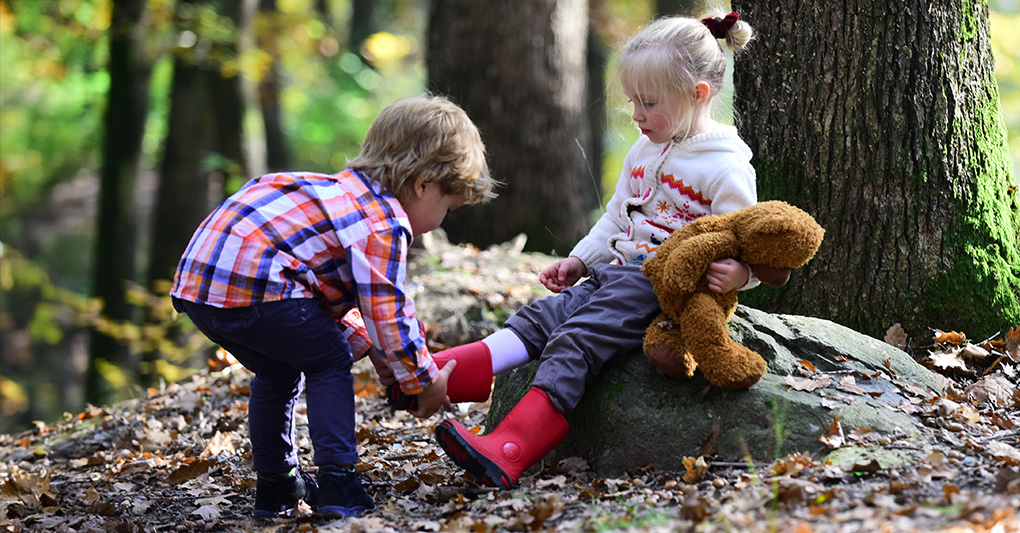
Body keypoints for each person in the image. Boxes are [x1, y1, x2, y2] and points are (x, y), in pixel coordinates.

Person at [429, 12, 793, 490]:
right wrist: (581, 260)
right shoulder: (644, 151)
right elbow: (616, 218)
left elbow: (744, 240)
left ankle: (511, 447)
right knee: (542, 317)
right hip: (616, 274)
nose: (636, 115)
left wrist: (739, 275)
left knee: (575, 340)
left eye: (649, 102)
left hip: (657, 285)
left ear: (697, 95)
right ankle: (454, 373)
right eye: (632, 102)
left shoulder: (725, 168)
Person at [169, 95, 497, 517]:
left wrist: (376, 350)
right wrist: (421, 379)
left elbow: (317, 298)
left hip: (202, 286)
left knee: (278, 368)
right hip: (255, 284)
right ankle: (339, 483)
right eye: (448, 208)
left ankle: (277, 486)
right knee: (328, 360)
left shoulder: (334, 194)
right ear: (423, 185)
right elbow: (387, 309)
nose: (441, 220)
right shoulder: (383, 220)